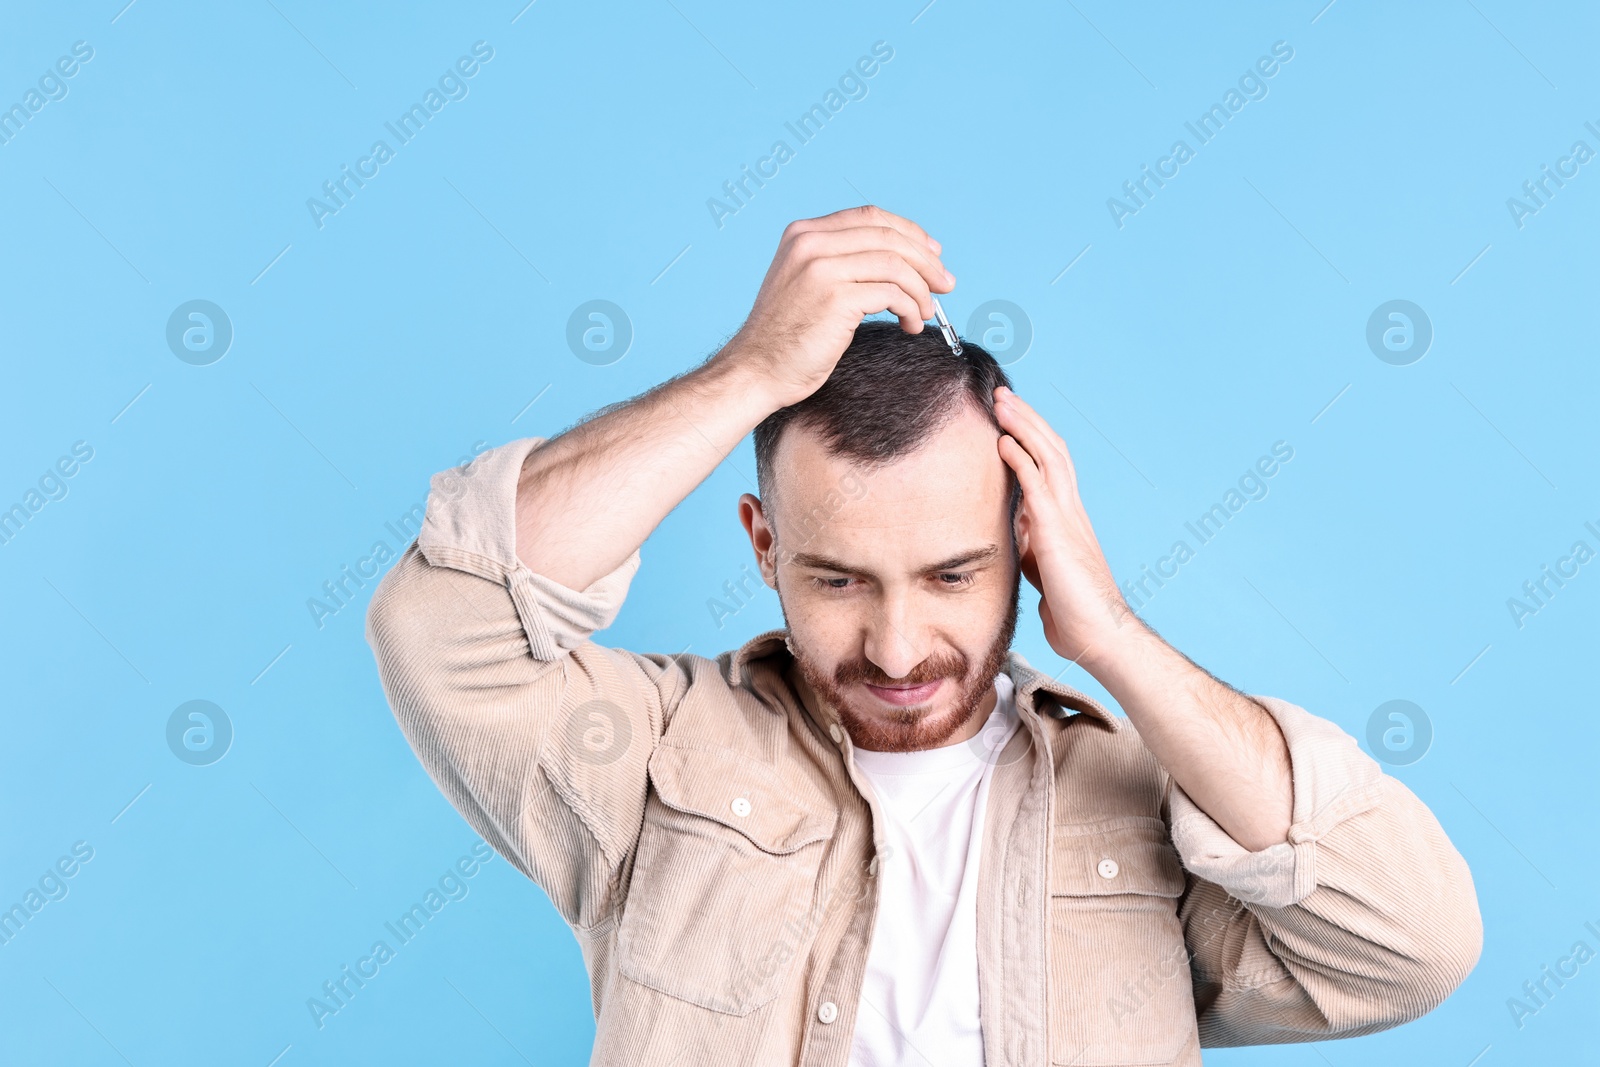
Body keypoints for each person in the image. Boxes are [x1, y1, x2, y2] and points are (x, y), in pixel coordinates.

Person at [366, 205, 1482, 1066]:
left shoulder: (1150, 802)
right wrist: (749, 370)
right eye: (838, 578)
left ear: (1028, 537)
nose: (897, 649)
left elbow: (1411, 943)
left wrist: (1113, 636)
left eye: (953, 572)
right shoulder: (653, 758)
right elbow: (442, 619)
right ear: (762, 546)